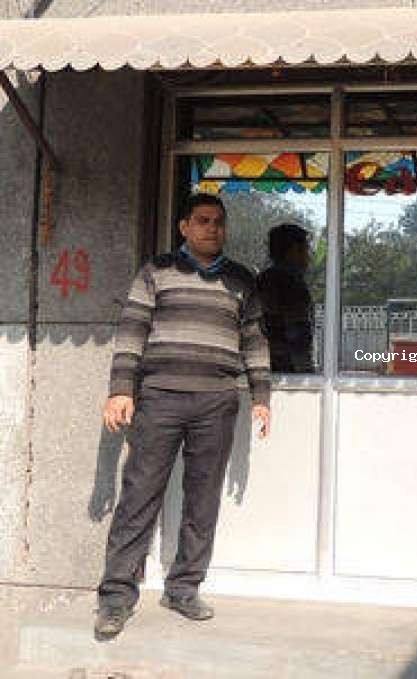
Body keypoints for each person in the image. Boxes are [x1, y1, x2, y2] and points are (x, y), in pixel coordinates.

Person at [94, 193, 271, 641]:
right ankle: (115, 597)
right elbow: (132, 329)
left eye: (219, 222)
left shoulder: (241, 279)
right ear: (184, 227)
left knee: (202, 499)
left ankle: (184, 588)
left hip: (216, 401)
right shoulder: (156, 271)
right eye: (203, 221)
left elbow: (253, 339)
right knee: (140, 494)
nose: (212, 228)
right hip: (160, 398)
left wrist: (261, 395)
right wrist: (121, 390)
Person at [257, 223, 314, 373]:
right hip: (284, 367)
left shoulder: (266, 280)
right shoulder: (288, 281)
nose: (308, 256)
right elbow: (294, 329)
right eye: (305, 250)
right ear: (294, 251)